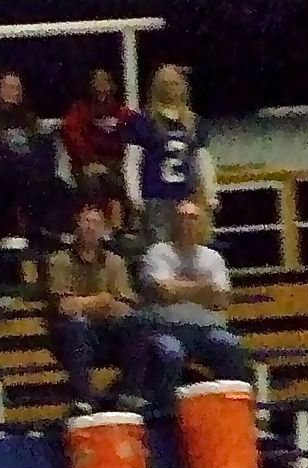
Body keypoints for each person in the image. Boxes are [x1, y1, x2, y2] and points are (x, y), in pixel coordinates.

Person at [47, 205, 176, 414]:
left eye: (96, 222)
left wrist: (92, 304)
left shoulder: (115, 262)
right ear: (76, 227)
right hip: (75, 334)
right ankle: (84, 399)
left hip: (109, 331)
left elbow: (125, 306)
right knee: (77, 325)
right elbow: (65, 306)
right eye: (86, 221)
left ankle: (130, 394)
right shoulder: (59, 260)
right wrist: (102, 300)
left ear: (104, 230)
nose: (91, 227)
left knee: (139, 321)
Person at [140, 200, 250, 385]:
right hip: (167, 329)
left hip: (207, 330)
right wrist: (204, 288)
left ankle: (230, 403)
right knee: (170, 353)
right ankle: (163, 411)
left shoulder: (213, 257)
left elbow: (221, 300)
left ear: (203, 224)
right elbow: (164, 292)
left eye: (193, 218)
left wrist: (180, 288)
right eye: (182, 217)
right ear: (173, 223)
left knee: (230, 344)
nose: (187, 223)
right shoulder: (158, 252)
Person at [0, 70, 74, 242]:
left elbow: (46, 154)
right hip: (0, 181)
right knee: (21, 184)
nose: (12, 92)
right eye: (7, 87)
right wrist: (19, 166)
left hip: (33, 177)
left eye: (16, 88)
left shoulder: (32, 123)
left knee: (57, 186)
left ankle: (55, 235)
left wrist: (31, 167)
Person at [126, 66, 218, 246]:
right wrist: (134, 194)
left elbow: (202, 160)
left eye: (175, 84)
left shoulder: (193, 123)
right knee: (160, 247)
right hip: (156, 197)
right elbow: (133, 159)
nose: (171, 89)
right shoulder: (144, 121)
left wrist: (210, 193)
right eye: (166, 84)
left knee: (192, 245)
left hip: (186, 196)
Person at [60, 69, 135, 233]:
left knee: (117, 187)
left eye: (105, 82)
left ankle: (119, 230)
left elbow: (134, 129)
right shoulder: (80, 109)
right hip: (87, 165)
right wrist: (89, 160)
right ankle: (95, 228)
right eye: (97, 82)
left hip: (114, 165)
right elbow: (71, 133)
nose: (102, 87)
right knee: (92, 183)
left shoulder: (119, 111)